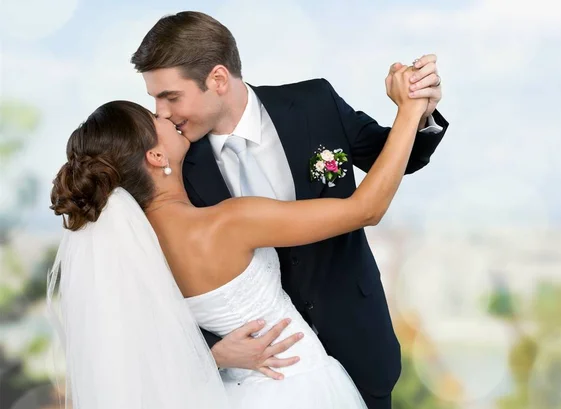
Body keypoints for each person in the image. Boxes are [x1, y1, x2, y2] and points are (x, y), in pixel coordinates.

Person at [49, 63, 431, 408]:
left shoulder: (136, 247)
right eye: (155, 116)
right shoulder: (227, 223)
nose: (167, 115)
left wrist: (210, 356)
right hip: (300, 385)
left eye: (167, 101)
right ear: (156, 157)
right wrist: (409, 110)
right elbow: (367, 208)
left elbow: (133, 344)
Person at [130, 10, 448, 409]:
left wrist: (420, 112)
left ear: (217, 79)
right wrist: (214, 351)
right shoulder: (173, 168)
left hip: (359, 345)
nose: (160, 112)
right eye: (155, 98)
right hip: (261, 380)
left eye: (170, 96)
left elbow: (395, 156)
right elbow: (161, 287)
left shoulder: (315, 102)